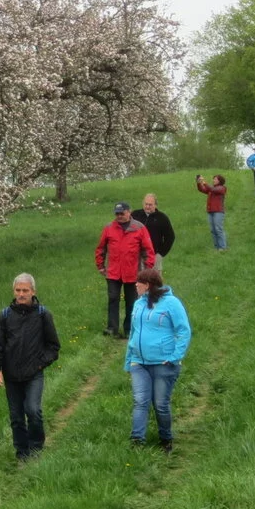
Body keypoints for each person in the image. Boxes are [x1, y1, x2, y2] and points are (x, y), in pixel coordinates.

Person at [0, 272, 60, 461]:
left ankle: (36, 449)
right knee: (16, 417)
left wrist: (39, 364)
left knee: (33, 410)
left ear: (33, 291)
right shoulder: (4, 316)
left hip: (34, 374)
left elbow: (53, 347)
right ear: (13, 291)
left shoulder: (43, 315)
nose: (21, 294)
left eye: (25, 290)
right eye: (18, 290)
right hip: (11, 375)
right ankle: (22, 453)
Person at [125, 266, 191, 452]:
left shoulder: (172, 303)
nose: (135, 285)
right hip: (139, 362)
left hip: (164, 363)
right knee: (140, 401)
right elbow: (133, 333)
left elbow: (184, 331)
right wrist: (129, 360)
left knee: (161, 404)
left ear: (148, 285)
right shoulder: (138, 303)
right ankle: (137, 440)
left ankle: (166, 439)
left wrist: (175, 357)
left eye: (139, 282)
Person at [95, 202, 155, 337]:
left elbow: (148, 251)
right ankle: (112, 329)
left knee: (131, 302)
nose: (119, 216)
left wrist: (147, 270)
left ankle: (129, 329)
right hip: (113, 272)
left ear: (129, 212)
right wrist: (100, 266)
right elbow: (101, 248)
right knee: (113, 299)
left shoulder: (139, 228)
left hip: (133, 273)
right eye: (117, 214)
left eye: (122, 213)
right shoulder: (109, 228)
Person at [130, 193, 175, 269]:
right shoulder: (135, 215)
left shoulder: (162, 218)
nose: (147, 207)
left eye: (150, 205)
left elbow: (170, 237)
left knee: (153, 276)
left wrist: (160, 254)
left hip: (154, 256)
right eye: (146, 204)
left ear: (155, 205)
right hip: (136, 255)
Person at [196, 174, 228, 250]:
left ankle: (223, 247)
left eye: (215, 179)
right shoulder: (211, 189)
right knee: (213, 230)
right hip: (210, 211)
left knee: (218, 229)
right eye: (213, 179)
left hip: (218, 212)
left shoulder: (222, 188)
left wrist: (204, 182)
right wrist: (199, 182)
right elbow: (202, 190)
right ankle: (217, 247)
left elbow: (213, 190)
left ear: (220, 181)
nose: (213, 180)